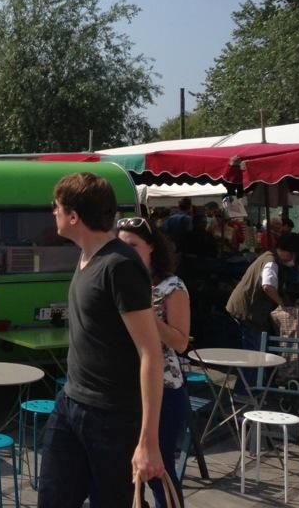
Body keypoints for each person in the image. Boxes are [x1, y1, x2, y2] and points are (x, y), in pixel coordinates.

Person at [37, 173, 164, 507]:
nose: (53, 212)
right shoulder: (85, 257)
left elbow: (151, 352)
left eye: (57, 207)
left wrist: (148, 442)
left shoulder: (119, 265)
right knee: (52, 499)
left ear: (74, 216)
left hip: (112, 417)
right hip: (71, 402)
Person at [117, 217, 190, 508]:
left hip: (165, 388)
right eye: (121, 245)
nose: (127, 251)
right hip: (124, 387)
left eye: (133, 245)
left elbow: (181, 342)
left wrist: (146, 313)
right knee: (125, 468)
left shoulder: (172, 286)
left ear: (151, 248)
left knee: (158, 470)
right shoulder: (118, 279)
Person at [226, 232, 299, 350]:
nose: (293, 259)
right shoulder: (271, 262)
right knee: (254, 347)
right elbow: (268, 286)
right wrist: (281, 304)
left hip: (249, 310)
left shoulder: (270, 257)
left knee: (254, 345)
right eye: (293, 255)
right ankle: (253, 368)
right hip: (247, 310)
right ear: (287, 251)